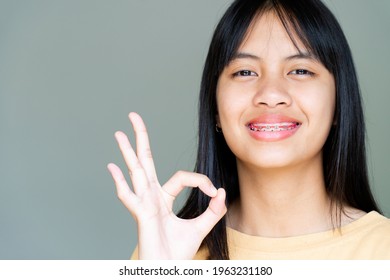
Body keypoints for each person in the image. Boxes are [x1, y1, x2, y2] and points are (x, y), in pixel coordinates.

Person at [107, 0, 390, 260]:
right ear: (215, 108)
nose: (271, 94)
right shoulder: (171, 251)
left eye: (300, 70)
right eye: (245, 72)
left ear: (339, 102)